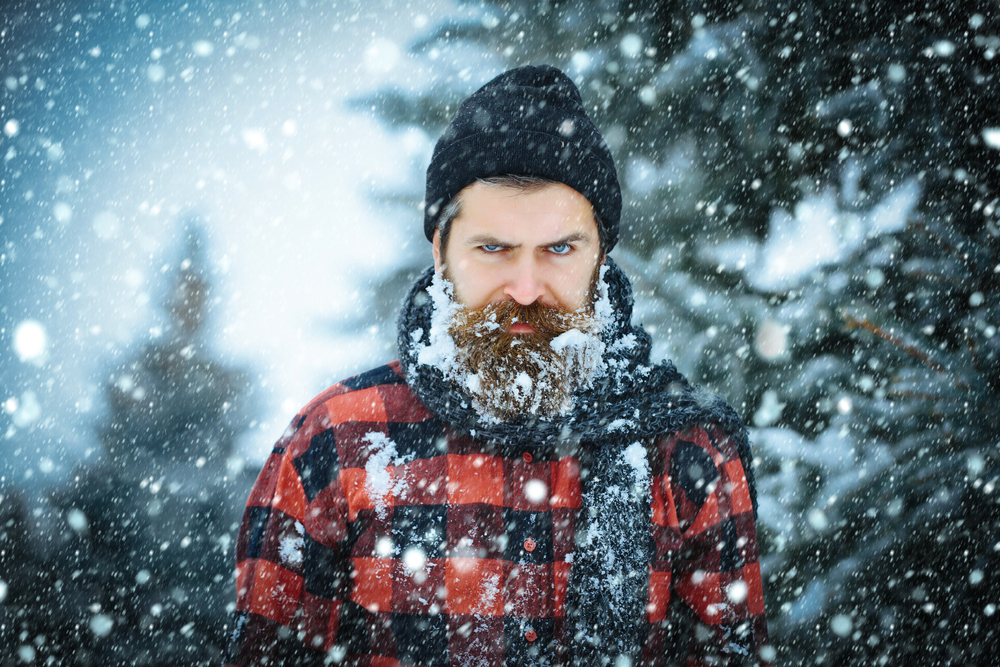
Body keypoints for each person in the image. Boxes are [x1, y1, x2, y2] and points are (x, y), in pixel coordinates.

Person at [224, 65, 770, 667]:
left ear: (600, 257)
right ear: (441, 252)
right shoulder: (336, 443)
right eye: (493, 248)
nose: (528, 287)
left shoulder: (687, 452)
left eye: (559, 249)